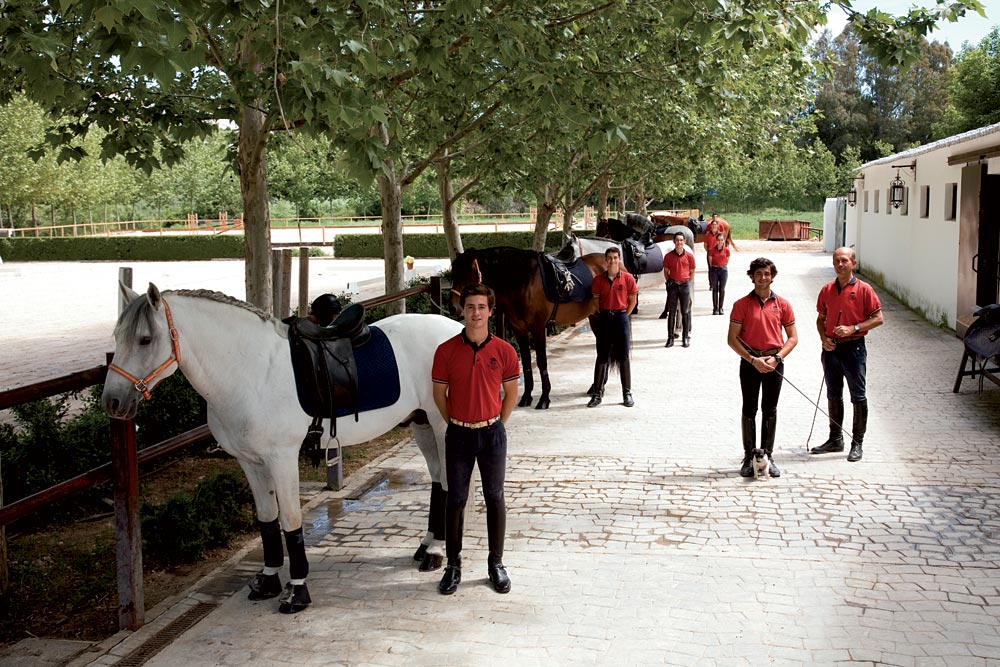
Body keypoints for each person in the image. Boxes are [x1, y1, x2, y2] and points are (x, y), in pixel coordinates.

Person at [432, 283, 520, 595]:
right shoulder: (445, 351)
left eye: (482, 307)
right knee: (455, 499)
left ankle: (496, 563)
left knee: (495, 497)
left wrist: (496, 423)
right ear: (462, 310)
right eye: (470, 307)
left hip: (492, 434)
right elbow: (438, 395)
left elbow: (511, 393)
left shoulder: (505, 351)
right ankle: (452, 565)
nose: (476, 313)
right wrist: (456, 422)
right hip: (458, 434)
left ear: (491, 311)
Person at [810, 247, 884, 462]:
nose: (840, 265)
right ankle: (835, 439)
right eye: (836, 261)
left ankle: (857, 442)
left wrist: (854, 328)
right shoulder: (826, 290)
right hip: (831, 349)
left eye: (844, 261)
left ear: (854, 263)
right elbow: (820, 319)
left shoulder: (864, 289)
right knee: (833, 394)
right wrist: (824, 339)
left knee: (857, 395)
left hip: (854, 348)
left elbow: (879, 318)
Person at [728, 257, 798, 478]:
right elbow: (732, 339)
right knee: (749, 409)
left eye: (767, 273)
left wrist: (777, 358)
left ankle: (767, 456)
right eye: (758, 274)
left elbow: (793, 338)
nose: (763, 278)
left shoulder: (783, 305)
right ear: (751, 276)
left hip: (773, 364)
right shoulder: (741, 305)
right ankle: (749, 457)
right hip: (750, 363)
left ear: (773, 276)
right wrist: (752, 359)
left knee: (770, 409)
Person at [588, 246, 638, 408]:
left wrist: (623, 315)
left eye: (615, 258)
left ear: (619, 259)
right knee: (602, 356)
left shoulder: (628, 279)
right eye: (609, 258)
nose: (612, 261)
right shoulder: (598, 281)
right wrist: (604, 314)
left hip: (621, 318)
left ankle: (627, 393)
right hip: (604, 319)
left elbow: (633, 301)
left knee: (623, 356)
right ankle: (597, 393)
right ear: (606, 260)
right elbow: (595, 302)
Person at [662, 231, 696, 348]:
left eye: (681, 240)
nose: (679, 242)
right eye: (677, 240)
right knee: (671, 312)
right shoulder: (668, 256)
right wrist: (669, 282)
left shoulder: (689, 257)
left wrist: (687, 281)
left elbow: (692, 271)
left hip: (685, 285)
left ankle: (685, 337)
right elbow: (666, 271)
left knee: (685, 312)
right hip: (673, 286)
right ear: (674, 242)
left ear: (684, 242)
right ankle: (670, 338)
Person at [707, 232, 730, 316]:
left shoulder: (726, 250)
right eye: (718, 240)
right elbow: (710, 261)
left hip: (723, 270)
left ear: (723, 241)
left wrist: (722, 265)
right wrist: (714, 268)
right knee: (715, 289)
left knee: (722, 289)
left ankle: (721, 307)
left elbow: (727, 260)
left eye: (721, 240)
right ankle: (715, 308)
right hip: (714, 270)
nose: (720, 242)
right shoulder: (711, 250)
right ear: (716, 241)